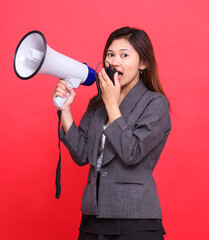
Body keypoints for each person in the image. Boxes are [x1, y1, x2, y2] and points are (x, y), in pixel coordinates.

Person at [52, 27, 171, 240]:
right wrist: (65, 109)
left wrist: (111, 104)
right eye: (110, 54)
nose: (115, 61)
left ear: (143, 63)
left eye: (124, 55)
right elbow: (81, 155)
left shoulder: (155, 103)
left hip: (135, 219)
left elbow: (132, 153)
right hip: (93, 216)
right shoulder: (96, 105)